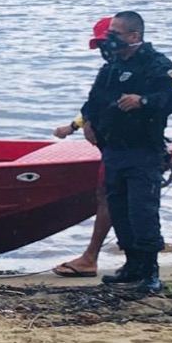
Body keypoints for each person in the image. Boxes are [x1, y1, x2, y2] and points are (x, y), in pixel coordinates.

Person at [82, 11, 172, 293]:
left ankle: (150, 272)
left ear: (134, 36)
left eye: (116, 33)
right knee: (119, 209)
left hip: (143, 151)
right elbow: (93, 99)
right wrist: (87, 121)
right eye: (109, 32)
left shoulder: (156, 64)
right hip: (113, 150)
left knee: (142, 212)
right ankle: (132, 265)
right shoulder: (112, 66)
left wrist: (144, 101)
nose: (110, 38)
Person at [51, 17, 114, 278]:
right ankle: (123, 255)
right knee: (108, 195)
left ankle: (92, 257)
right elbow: (94, 105)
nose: (104, 50)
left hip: (128, 148)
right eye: (100, 46)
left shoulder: (142, 67)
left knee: (111, 196)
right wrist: (74, 126)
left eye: (106, 44)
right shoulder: (110, 71)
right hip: (110, 147)